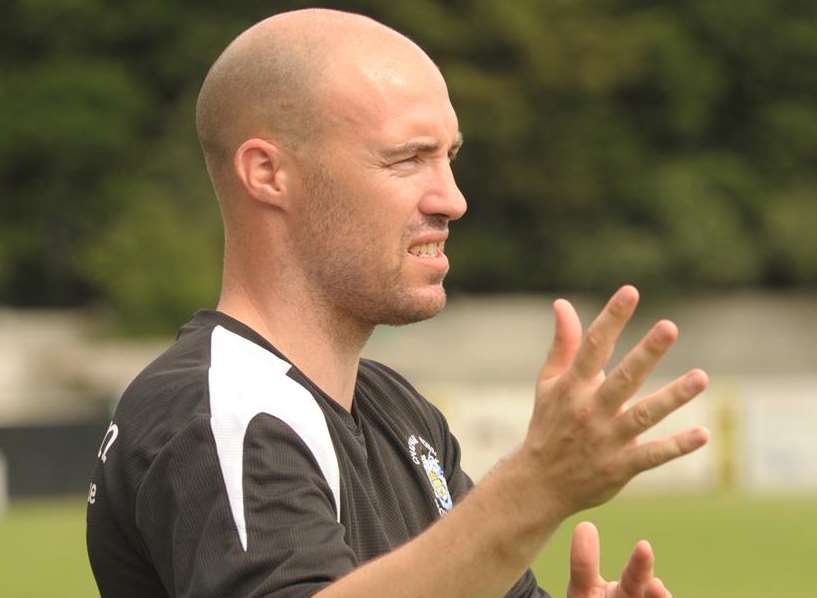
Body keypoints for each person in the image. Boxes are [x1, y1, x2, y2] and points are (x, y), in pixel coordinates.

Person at [86, 8, 709, 598]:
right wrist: (536, 487)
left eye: (449, 157)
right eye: (408, 158)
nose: (453, 199)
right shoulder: (217, 412)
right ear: (269, 174)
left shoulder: (399, 412)